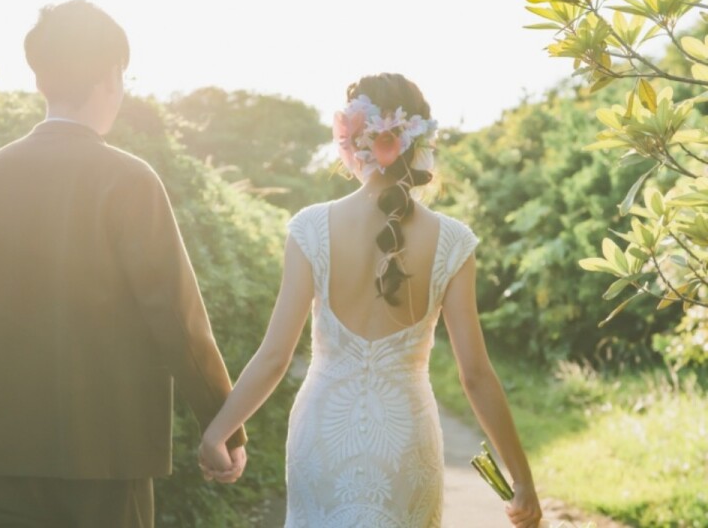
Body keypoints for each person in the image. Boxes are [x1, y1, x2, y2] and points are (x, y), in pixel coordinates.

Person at [0, 0, 246, 528]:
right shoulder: (129, 179)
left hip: (5, 456)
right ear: (111, 77)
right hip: (108, 459)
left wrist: (4, 407)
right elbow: (178, 320)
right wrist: (223, 424)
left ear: (41, 81)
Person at [199, 73, 542, 527]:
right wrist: (522, 479)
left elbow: (275, 357)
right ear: (421, 142)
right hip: (406, 442)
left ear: (351, 141)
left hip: (323, 436)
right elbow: (476, 374)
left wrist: (218, 433)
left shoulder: (311, 227)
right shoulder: (453, 242)